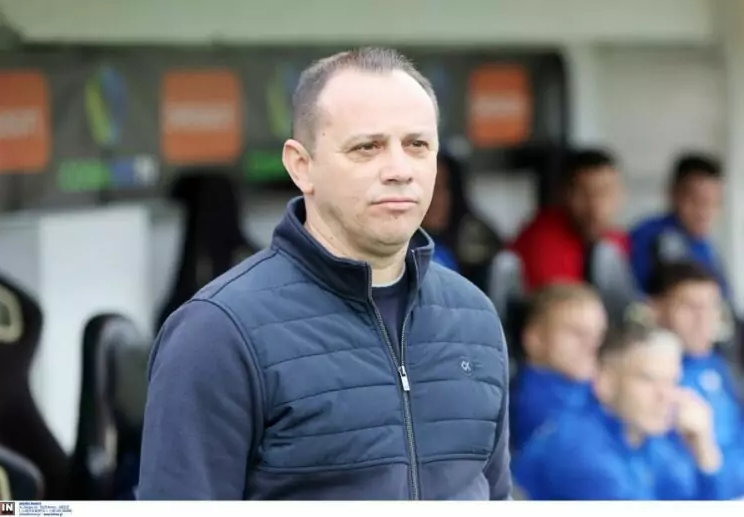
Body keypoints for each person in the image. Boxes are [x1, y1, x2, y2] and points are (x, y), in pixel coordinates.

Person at [137, 47, 511, 500]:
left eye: (417, 145)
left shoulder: (475, 317)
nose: (399, 170)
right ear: (302, 166)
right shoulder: (218, 332)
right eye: (367, 147)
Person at [513, 324, 731, 500]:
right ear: (605, 383)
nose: (666, 396)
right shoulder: (578, 446)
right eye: (649, 379)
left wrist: (704, 450)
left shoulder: (646, 438)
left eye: (672, 381)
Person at [647, 261, 744, 494]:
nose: (703, 319)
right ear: (656, 310)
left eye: (711, 307)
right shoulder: (649, 379)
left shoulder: (718, 365)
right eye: (689, 307)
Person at [510, 148, 628, 293]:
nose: (595, 205)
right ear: (562, 194)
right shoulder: (541, 241)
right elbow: (560, 304)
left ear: (621, 194)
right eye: (584, 194)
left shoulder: (615, 238)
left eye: (604, 192)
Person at [510, 283, 607, 451]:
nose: (591, 345)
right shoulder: (536, 404)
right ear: (536, 339)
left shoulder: (591, 387)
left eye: (597, 336)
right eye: (576, 333)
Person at [630, 153, 729, 298]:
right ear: (673, 194)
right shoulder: (648, 237)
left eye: (713, 203)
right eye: (696, 201)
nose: (704, 212)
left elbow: (726, 300)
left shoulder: (707, 248)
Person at [421, 150, 502, 287]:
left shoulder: (469, 239)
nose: (437, 199)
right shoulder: (402, 256)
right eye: (428, 188)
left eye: (444, 187)